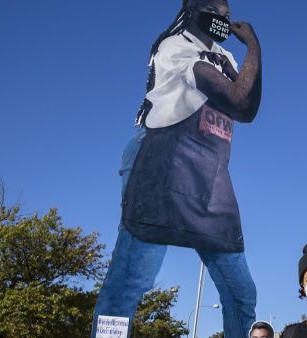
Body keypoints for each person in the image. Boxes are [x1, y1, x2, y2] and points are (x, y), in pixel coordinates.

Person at [91, 0, 262, 336]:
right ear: (195, 9)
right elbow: (238, 100)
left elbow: (249, 109)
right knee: (132, 279)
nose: (225, 19)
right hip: (161, 161)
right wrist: (254, 43)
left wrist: (252, 52)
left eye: (228, 14)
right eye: (217, 11)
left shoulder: (227, 58)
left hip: (209, 170)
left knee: (241, 292)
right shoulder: (175, 47)